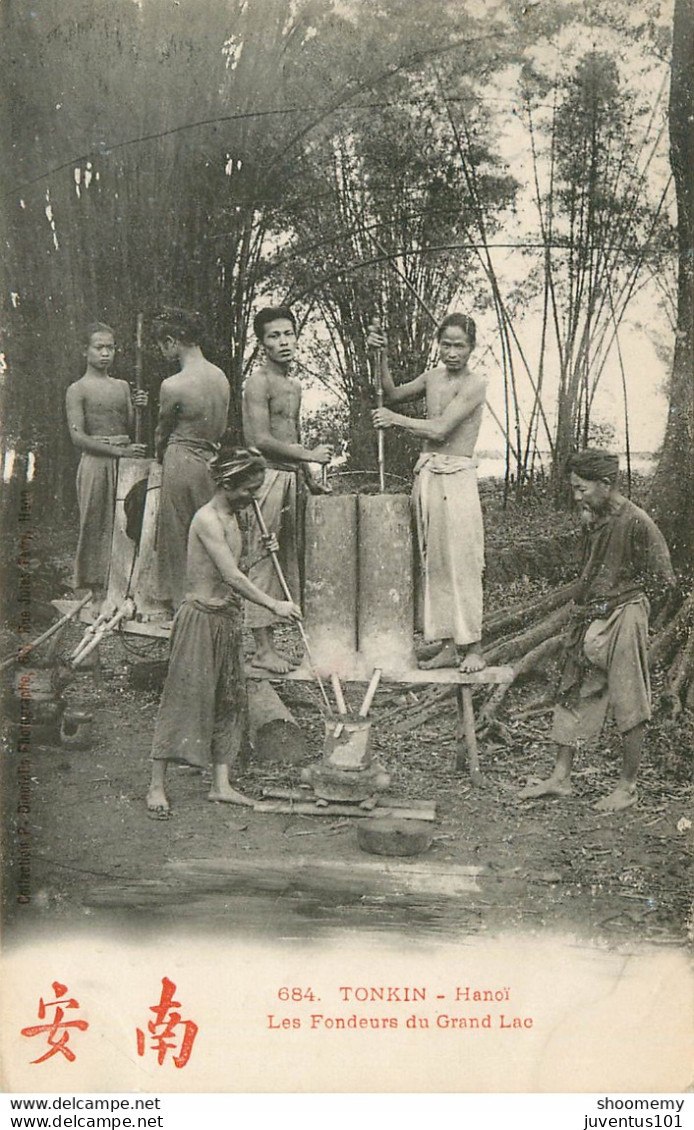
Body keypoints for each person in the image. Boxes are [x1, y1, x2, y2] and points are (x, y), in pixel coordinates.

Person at [146, 447, 302, 819]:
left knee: (230, 701)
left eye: (257, 488)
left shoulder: (238, 519)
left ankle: (221, 785)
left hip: (226, 619)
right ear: (228, 483)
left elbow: (237, 568)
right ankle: (155, 785)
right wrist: (274, 605)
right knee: (184, 700)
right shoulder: (208, 519)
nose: (254, 496)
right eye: (249, 488)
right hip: (199, 618)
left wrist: (264, 554)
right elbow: (232, 577)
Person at [519, 449, 676, 813]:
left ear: (606, 484)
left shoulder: (638, 522)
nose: (577, 496)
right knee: (572, 689)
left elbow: (665, 581)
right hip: (591, 615)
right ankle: (560, 777)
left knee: (629, 696)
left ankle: (628, 786)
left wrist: (634, 607)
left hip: (626, 614)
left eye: (582, 489)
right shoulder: (594, 516)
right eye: (573, 488)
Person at [368, 314, 486, 673]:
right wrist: (381, 355)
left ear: (471, 348)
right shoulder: (432, 377)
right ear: (439, 343)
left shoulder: (475, 384)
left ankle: (474, 648)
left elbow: (440, 429)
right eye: (446, 344)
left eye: (459, 345)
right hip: (430, 476)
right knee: (435, 562)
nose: (452, 352)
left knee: (463, 561)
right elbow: (391, 394)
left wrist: (395, 420)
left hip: (457, 477)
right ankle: (449, 646)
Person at [242, 305, 332, 673]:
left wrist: (309, 474)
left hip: (293, 479)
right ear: (262, 343)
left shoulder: (293, 385)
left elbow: (291, 433)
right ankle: (263, 649)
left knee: (289, 560)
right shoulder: (258, 382)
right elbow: (261, 439)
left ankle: (276, 644)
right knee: (264, 558)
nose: (283, 342)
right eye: (274, 336)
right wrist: (308, 454)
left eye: (288, 334)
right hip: (264, 479)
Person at [152, 308, 230, 612]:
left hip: (181, 459)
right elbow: (220, 425)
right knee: (210, 534)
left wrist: (160, 455)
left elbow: (162, 431)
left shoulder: (174, 384)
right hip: (211, 461)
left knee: (178, 535)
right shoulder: (220, 377)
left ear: (171, 342)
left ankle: (180, 605)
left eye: (162, 346)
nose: (163, 352)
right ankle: (210, 601)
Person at [66, 322, 147, 609]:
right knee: (95, 523)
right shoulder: (78, 389)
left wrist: (140, 409)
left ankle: (122, 587)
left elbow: (131, 427)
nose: (105, 353)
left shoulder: (123, 386)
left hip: (125, 463)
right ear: (84, 351)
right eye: (98, 347)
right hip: (97, 464)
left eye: (110, 347)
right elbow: (78, 436)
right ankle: (91, 590)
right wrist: (117, 451)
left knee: (125, 523)